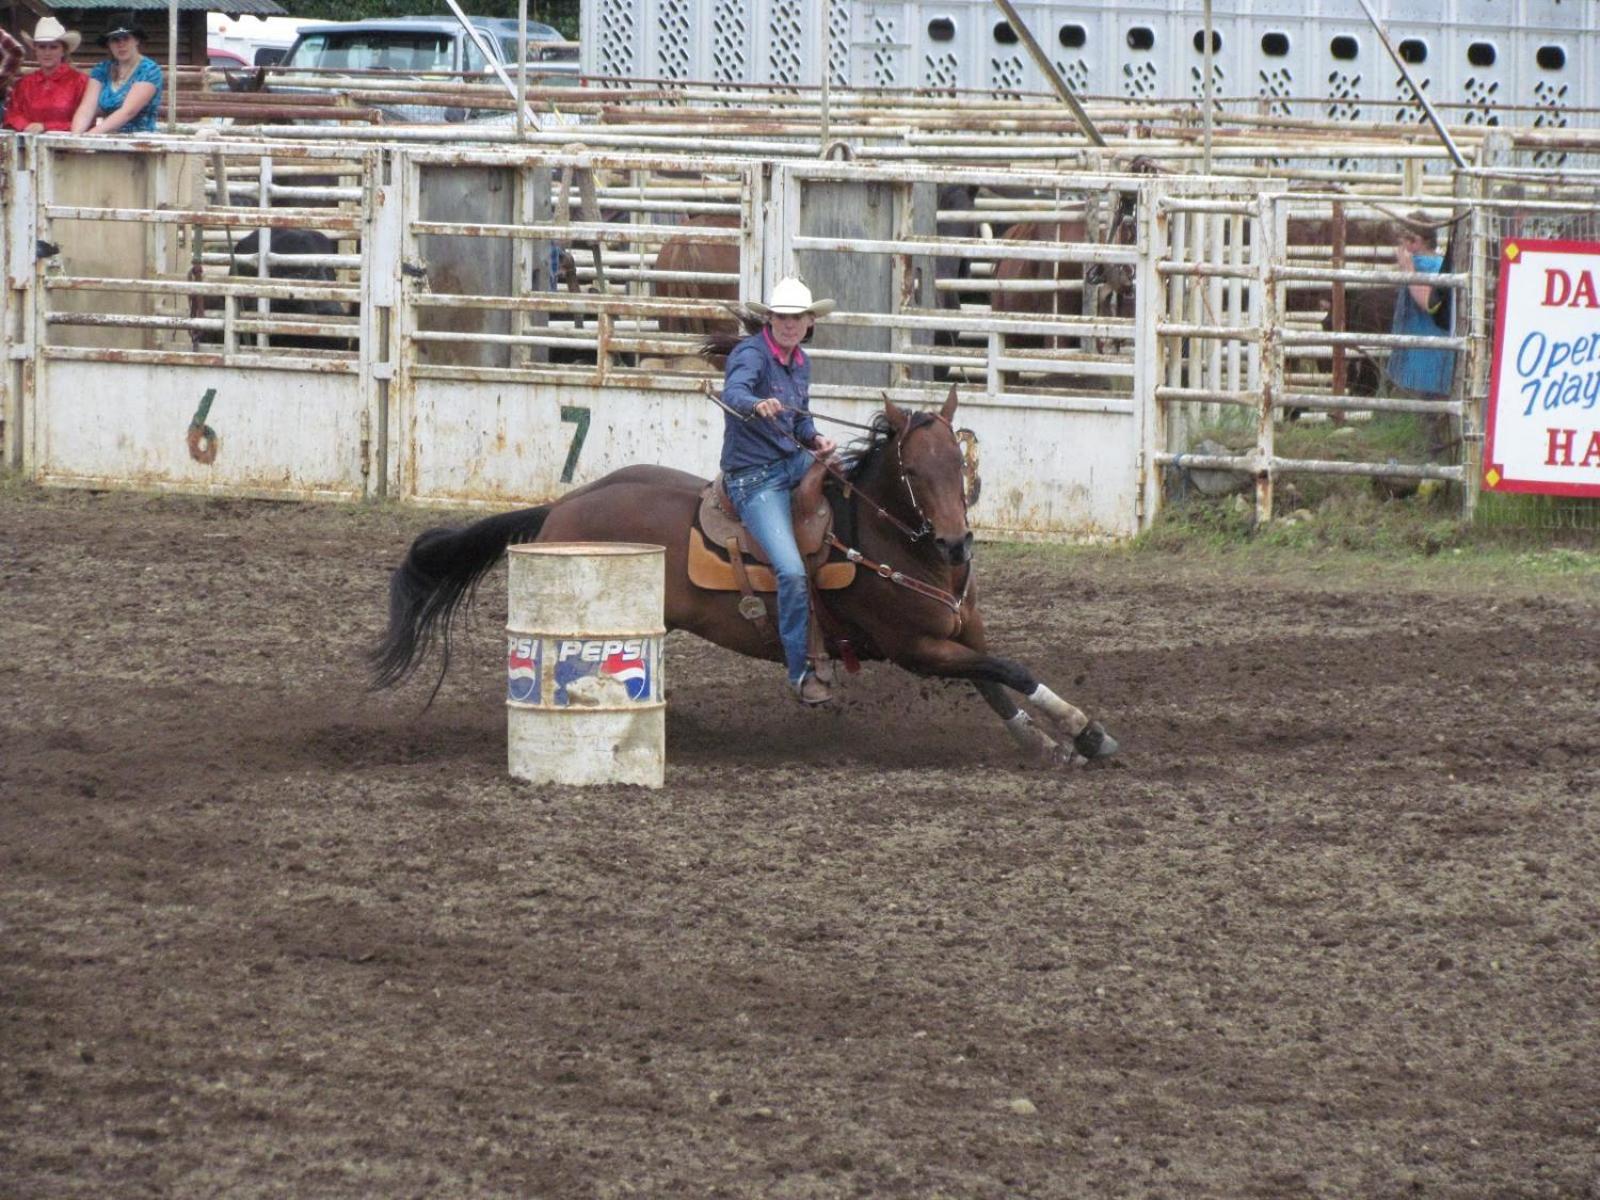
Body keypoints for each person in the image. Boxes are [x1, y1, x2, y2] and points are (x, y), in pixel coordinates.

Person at [720, 277, 839, 706]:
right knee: (790, 571)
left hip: (794, 461)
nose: (790, 325)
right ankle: (798, 669)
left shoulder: (800, 362)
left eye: (797, 318)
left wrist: (816, 438)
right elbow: (733, 392)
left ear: (809, 322)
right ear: (769, 319)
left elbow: (800, 419)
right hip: (755, 476)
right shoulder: (750, 355)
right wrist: (755, 404)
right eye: (782, 318)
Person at [1387, 215, 1456, 409]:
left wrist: (1409, 270)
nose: (1398, 250)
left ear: (1415, 242)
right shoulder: (1439, 265)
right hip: (1425, 361)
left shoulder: (1426, 268)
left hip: (1422, 363)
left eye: (1402, 243)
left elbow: (1429, 303)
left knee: (1418, 414)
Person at [71, 13, 162, 136]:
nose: (121, 44)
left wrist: (91, 135)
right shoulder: (101, 70)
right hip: (105, 139)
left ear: (136, 40)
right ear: (108, 44)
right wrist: (76, 137)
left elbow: (128, 111)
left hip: (140, 143)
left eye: (126, 38)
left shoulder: (150, 70)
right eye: (115, 40)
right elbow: (87, 108)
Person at [3, 18, 88, 134]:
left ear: (63, 51)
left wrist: (45, 126)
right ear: (35, 50)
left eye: (53, 47)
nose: (47, 53)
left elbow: (87, 121)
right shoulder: (24, 83)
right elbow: (12, 115)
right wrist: (26, 126)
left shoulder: (80, 81)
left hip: (68, 148)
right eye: (42, 47)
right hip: (27, 146)